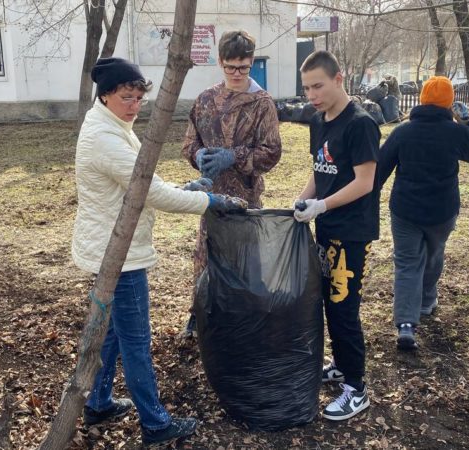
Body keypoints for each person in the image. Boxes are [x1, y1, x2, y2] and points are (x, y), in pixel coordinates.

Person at [72, 57, 245, 447]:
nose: (134, 105)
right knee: (135, 342)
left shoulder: (111, 125)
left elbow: (141, 175)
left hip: (111, 247)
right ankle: (155, 424)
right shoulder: (105, 137)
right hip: (120, 255)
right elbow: (147, 191)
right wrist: (210, 200)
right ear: (105, 96)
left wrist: (186, 188)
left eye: (138, 98)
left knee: (113, 334)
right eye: (126, 97)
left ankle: (97, 402)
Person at [293, 50, 382, 421]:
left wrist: (323, 206)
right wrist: (302, 199)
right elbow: (320, 168)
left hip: (350, 231)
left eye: (318, 86)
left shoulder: (360, 124)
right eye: (307, 88)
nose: (312, 94)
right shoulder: (319, 120)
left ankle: (356, 388)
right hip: (326, 227)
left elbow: (365, 183)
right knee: (327, 304)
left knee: (343, 308)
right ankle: (344, 366)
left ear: (338, 79)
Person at [179, 30, 282, 339]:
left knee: (247, 261)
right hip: (210, 198)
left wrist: (233, 156)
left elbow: (271, 153)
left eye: (244, 67)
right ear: (221, 62)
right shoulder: (205, 100)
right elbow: (188, 144)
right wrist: (199, 156)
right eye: (231, 67)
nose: (237, 74)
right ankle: (200, 315)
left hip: (245, 199)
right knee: (206, 258)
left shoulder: (261, 103)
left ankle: (249, 320)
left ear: (251, 63)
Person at [377, 76, 469, 351]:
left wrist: (366, 197)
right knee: (434, 255)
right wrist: (468, 122)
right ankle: (426, 301)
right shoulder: (455, 132)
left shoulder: (403, 132)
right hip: (442, 211)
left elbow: (379, 170)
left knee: (406, 263)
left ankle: (405, 324)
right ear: (450, 103)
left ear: (422, 99)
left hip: (405, 210)